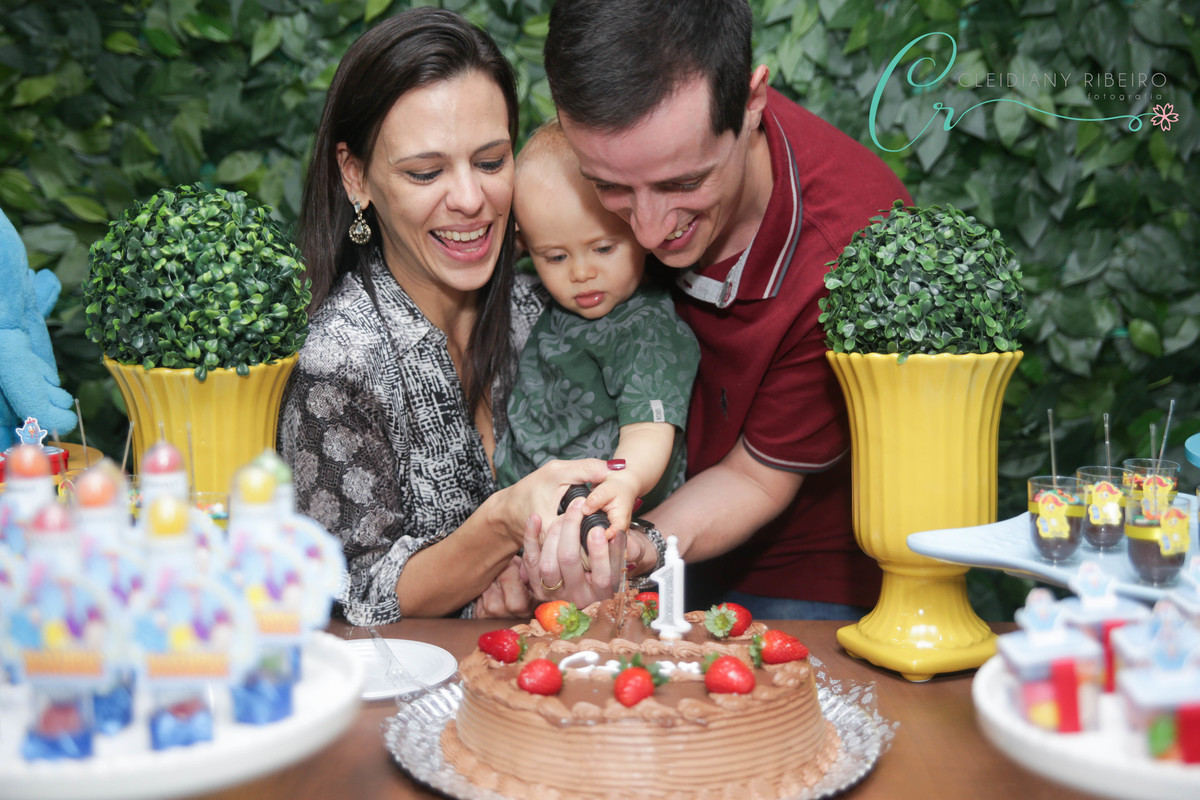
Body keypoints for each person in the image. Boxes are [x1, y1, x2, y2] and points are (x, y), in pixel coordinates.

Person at [537, 0, 912, 618]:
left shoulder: (852, 253)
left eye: (683, 184)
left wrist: (638, 545)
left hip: (794, 567)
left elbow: (757, 479)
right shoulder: (572, 178)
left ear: (752, 102)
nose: (652, 233)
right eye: (611, 186)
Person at [278, 8, 643, 625]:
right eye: (426, 172)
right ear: (355, 175)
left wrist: (624, 549)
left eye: (492, 162)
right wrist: (501, 527)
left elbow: (638, 497)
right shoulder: (334, 366)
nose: (471, 200)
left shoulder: (552, 310)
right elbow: (355, 593)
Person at [493, 119, 700, 542]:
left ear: (640, 228)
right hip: (527, 509)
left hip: (603, 518)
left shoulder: (647, 331)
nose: (582, 273)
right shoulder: (546, 299)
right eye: (554, 257)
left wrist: (623, 481)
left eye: (603, 248)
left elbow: (649, 429)